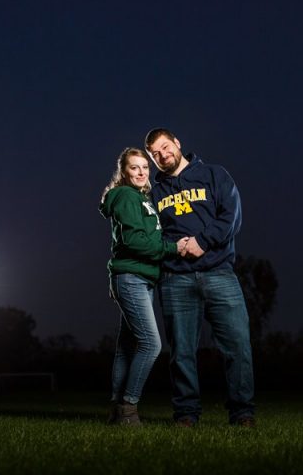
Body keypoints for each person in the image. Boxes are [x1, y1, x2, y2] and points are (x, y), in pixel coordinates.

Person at [144, 128, 256, 427]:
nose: (162, 155)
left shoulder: (214, 175)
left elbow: (231, 216)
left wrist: (203, 241)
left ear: (177, 143)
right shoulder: (155, 194)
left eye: (165, 147)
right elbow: (151, 237)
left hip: (219, 272)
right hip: (176, 279)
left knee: (237, 346)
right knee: (181, 352)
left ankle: (242, 412)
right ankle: (186, 415)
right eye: (155, 154)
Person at [99, 147, 188, 426]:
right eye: (134, 167)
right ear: (124, 171)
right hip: (132, 278)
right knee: (151, 345)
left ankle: (116, 411)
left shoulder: (141, 197)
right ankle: (129, 408)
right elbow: (135, 242)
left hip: (141, 277)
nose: (141, 172)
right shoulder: (126, 196)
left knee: (127, 347)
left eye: (145, 168)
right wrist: (174, 248)